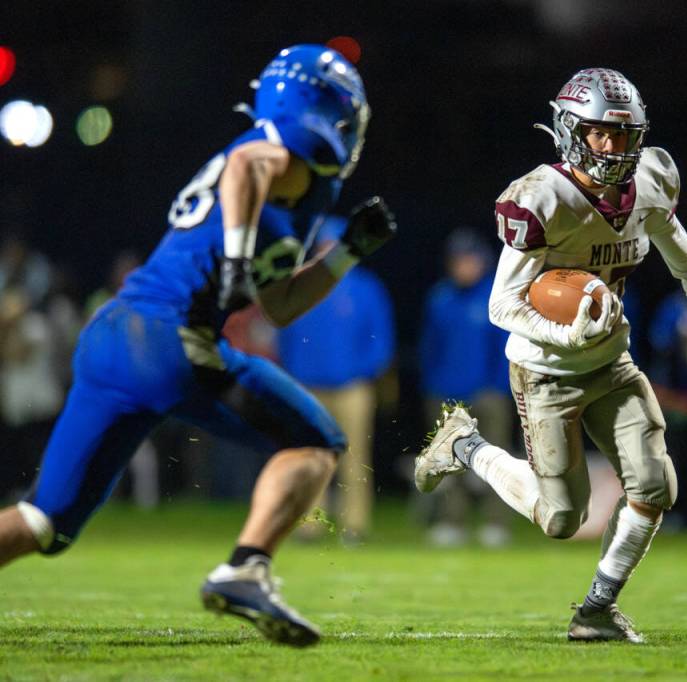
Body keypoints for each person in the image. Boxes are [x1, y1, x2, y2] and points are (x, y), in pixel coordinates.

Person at [0, 44, 396, 648]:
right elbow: (246, 167)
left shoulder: (290, 184)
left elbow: (280, 303)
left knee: (44, 522)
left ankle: (245, 569)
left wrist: (344, 256)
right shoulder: (275, 155)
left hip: (114, 336)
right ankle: (246, 567)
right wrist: (237, 256)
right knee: (317, 441)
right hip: (166, 338)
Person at [414, 68, 687, 642]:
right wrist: (562, 336)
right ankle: (464, 444)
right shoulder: (542, 196)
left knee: (656, 486)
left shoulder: (652, 182)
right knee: (562, 518)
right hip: (545, 371)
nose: (612, 148)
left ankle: (595, 611)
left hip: (613, 364)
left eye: (623, 135)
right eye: (598, 134)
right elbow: (501, 305)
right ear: (570, 132)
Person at [277, 215, 396, 543]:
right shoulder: (301, 284)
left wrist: (360, 371)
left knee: (355, 459)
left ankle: (354, 526)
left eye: (333, 244)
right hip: (308, 387)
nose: (327, 250)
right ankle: (309, 525)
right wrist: (295, 373)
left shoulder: (365, 287)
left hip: (351, 388)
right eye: (323, 244)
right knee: (308, 459)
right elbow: (285, 332)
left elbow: (381, 340)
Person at [418, 227, 515, 547]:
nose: (463, 266)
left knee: (495, 461)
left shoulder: (494, 296)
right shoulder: (440, 298)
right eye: (457, 260)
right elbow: (429, 347)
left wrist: (498, 387)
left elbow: (507, 349)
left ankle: (496, 523)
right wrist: (433, 386)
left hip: (489, 394)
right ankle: (452, 521)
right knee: (450, 462)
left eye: (469, 260)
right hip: (447, 395)